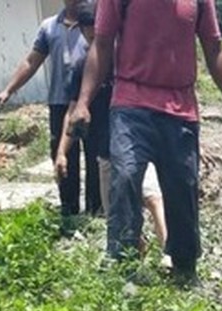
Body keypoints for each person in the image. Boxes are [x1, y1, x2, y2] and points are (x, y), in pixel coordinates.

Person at [69, 0, 222, 287]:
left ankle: (184, 267)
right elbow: (102, 44)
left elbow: (214, 48)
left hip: (180, 109)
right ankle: (122, 264)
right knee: (126, 176)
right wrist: (83, 103)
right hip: (131, 103)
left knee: (183, 186)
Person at [55, 15, 169, 263]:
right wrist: (62, 152)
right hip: (106, 148)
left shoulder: (129, 61)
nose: (95, 36)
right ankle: (135, 254)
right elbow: (73, 111)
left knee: (151, 195)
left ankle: (168, 252)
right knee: (116, 213)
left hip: (137, 141)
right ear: (84, 31)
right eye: (90, 31)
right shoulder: (83, 67)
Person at [0, 1, 100, 218]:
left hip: (90, 103)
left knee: (95, 156)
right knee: (62, 156)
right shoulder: (49, 27)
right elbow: (32, 61)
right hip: (60, 102)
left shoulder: (94, 23)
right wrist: (8, 90)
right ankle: (69, 213)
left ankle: (95, 212)